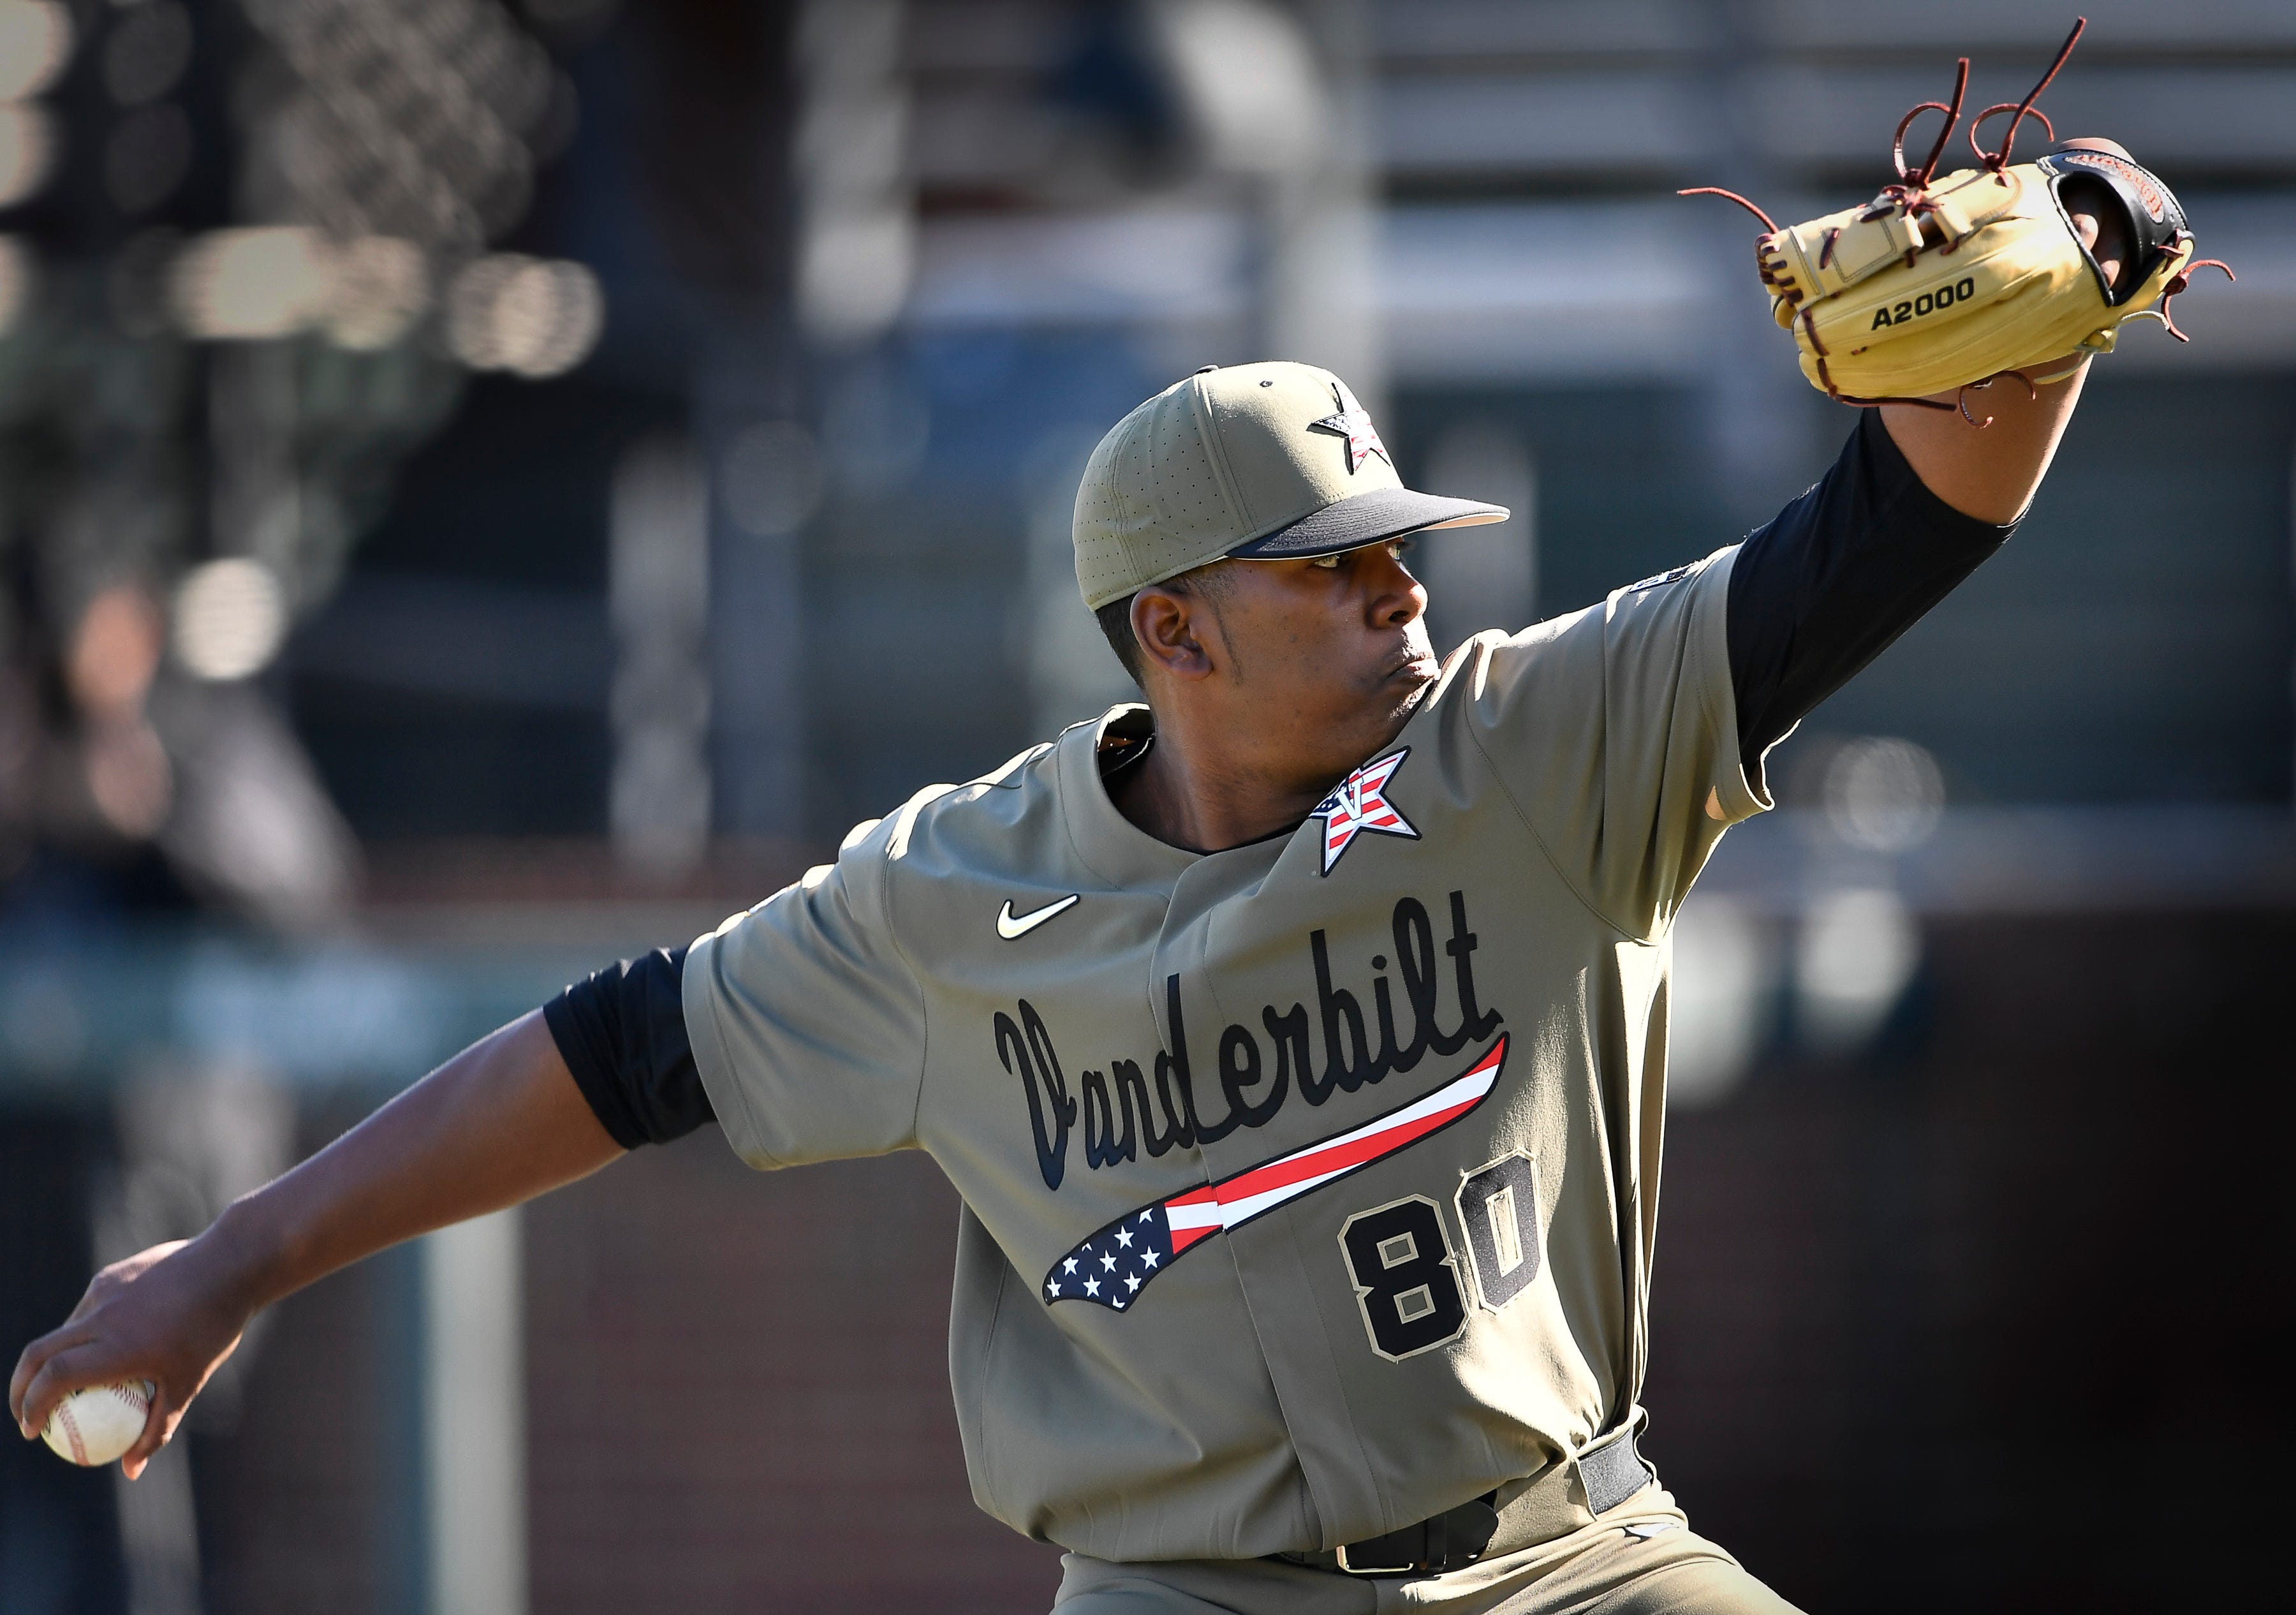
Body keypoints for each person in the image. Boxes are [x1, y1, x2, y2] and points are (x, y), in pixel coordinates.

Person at [13, 151, 2140, 1615]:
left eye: (1403, 539)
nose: (1403, 583)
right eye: (1333, 564)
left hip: (1561, 1549)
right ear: (1173, 636)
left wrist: (2072, 279)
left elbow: (1898, 530)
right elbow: (616, 1051)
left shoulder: (1546, 737)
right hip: (1182, 1589)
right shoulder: (955, 897)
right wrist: (235, 1262)